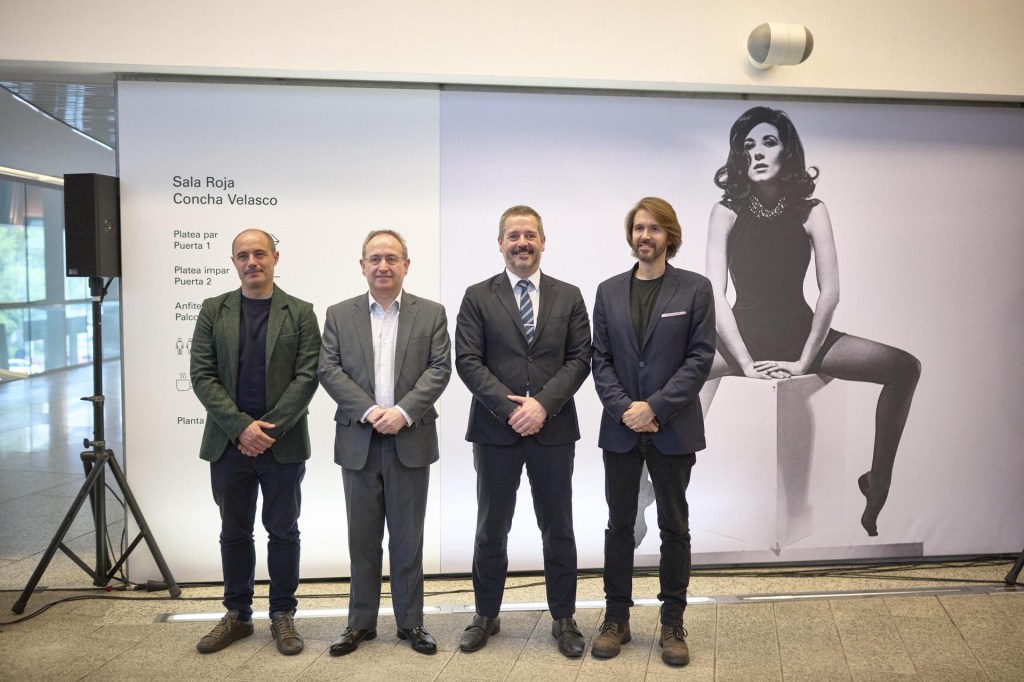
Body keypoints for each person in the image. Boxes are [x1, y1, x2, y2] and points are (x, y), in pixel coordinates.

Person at [703, 106, 922, 536]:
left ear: (786, 151)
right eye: (748, 146)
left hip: (803, 335)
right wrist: (744, 363)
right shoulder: (725, 211)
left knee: (905, 368)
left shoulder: (811, 209)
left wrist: (805, 361)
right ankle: (649, 489)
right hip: (741, 340)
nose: (757, 153)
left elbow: (830, 292)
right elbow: (714, 295)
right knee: (665, 376)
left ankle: (878, 481)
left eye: (768, 142)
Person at [455, 205, 592, 658]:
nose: (522, 243)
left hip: (553, 430)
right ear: (500, 244)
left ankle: (564, 617)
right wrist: (510, 409)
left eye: (530, 235)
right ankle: (485, 615)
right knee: (491, 528)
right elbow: (467, 360)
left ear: (543, 241)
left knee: (559, 528)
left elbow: (580, 358)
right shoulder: (478, 296)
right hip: (496, 431)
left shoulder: (569, 296)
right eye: (513, 236)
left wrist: (542, 406)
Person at [591, 197, 716, 666]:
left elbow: (700, 358)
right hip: (622, 428)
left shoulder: (695, 289)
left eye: (655, 228)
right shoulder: (607, 291)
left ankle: (672, 623)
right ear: (631, 235)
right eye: (639, 227)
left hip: (672, 427)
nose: (645, 235)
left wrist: (655, 407)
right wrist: (627, 409)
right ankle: (615, 619)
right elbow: (600, 359)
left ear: (670, 236)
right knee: (620, 525)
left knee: (674, 526)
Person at [317, 230, 451, 657]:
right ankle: (360, 623)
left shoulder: (431, 313)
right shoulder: (339, 314)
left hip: (410, 438)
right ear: (362, 266)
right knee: (362, 540)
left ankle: (411, 623)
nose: (383, 266)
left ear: (406, 265)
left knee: (408, 540)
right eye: (375, 258)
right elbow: (329, 369)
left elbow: (439, 368)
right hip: (359, 439)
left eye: (392, 258)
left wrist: (403, 412)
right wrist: (371, 411)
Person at [190, 228, 320, 655]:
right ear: (234, 262)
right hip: (229, 445)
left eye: (260, 253)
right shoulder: (213, 310)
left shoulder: (300, 312)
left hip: (282, 445)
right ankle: (237, 615)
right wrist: (240, 428)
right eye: (243, 255)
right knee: (233, 531)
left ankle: (282, 613)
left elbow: (307, 377)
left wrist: (267, 431)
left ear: (275, 258)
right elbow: (202, 375)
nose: (252, 262)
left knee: (283, 532)